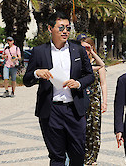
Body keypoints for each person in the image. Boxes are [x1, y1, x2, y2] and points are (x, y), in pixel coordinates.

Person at [23, 12, 95, 165]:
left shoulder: (78, 50)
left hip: (74, 110)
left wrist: (79, 83)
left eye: (68, 28)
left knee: (78, 154)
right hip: (51, 111)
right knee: (57, 157)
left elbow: (90, 75)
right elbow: (27, 80)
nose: (65, 31)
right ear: (50, 28)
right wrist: (37, 73)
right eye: (61, 27)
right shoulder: (39, 51)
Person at [79, 36, 107, 165]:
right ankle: (82, 156)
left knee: (94, 129)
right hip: (80, 99)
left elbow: (103, 83)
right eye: (82, 47)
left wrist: (104, 102)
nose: (85, 50)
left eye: (87, 47)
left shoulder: (95, 64)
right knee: (83, 128)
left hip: (95, 100)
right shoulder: (78, 63)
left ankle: (92, 158)